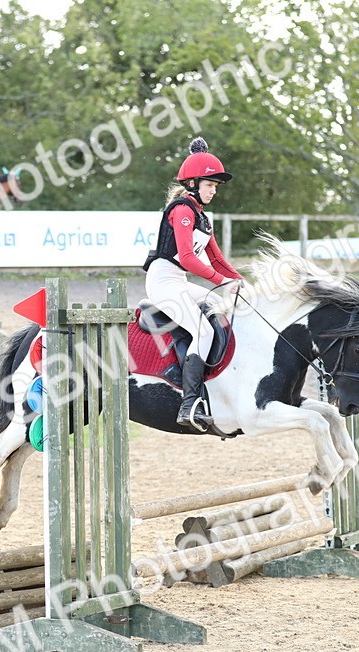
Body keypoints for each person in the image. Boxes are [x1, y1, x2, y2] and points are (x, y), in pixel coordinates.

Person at [142, 136, 243, 431]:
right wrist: (221, 281)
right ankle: (189, 405)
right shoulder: (182, 210)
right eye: (209, 185)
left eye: (215, 186)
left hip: (180, 281)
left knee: (221, 307)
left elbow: (218, 259)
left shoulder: (202, 217)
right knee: (203, 330)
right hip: (163, 280)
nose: (213, 190)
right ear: (193, 184)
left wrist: (240, 282)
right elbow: (187, 258)